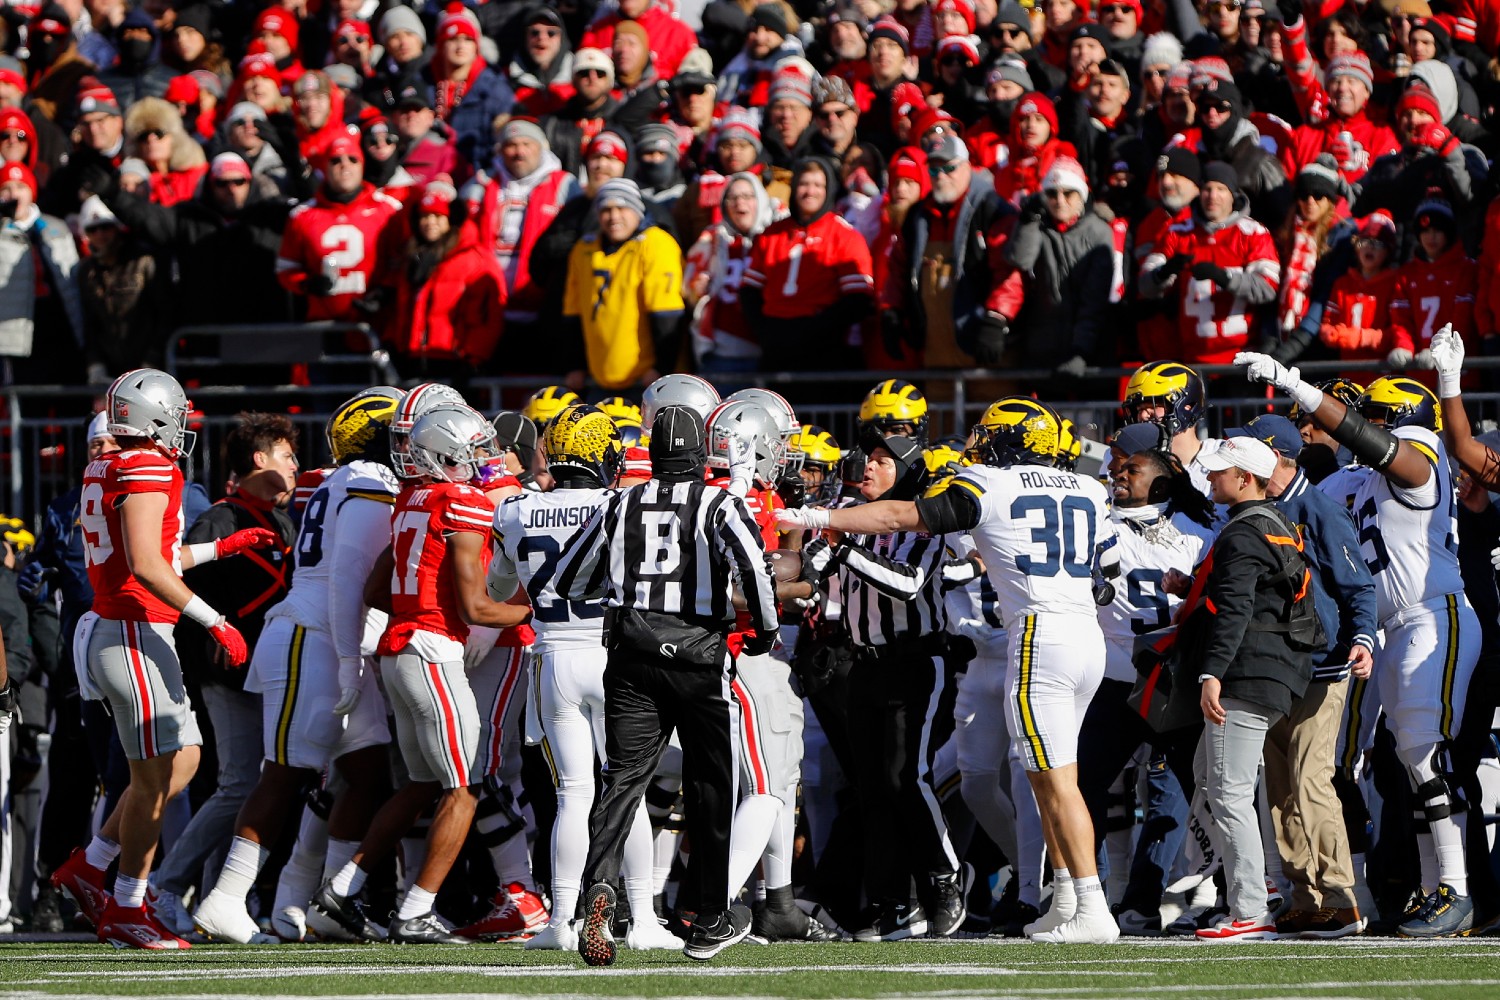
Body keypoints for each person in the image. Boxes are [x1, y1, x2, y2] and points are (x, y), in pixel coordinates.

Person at [780, 397, 1120, 944]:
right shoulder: (1088, 488)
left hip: (1038, 636)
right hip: (1086, 637)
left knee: (1057, 781)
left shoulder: (992, 484)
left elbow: (901, 515)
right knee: (1046, 778)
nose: (979, 444)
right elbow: (1107, 571)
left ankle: (1092, 907)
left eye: (989, 435)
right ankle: (1067, 898)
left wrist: (817, 516)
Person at [1236, 353, 1482, 937]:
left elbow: (1378, 446)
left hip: (1432, 614)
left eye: (1375, 422)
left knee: (1424, 751)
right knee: (1349, 761)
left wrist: (1295, 384)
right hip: (1373, 629)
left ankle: (1456, 888)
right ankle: (1380, 888)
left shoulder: (1420, 460)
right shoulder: (1346, 481)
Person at [50, 369, 272, 949]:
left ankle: (93, 863)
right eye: (173, 415)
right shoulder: (148, 465)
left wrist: (220, 547)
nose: (180, 428)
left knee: (186, 761)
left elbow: (152, 552)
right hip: (132, 631)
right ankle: (127, 904)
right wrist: (216, 621)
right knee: (151, 779)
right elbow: (149, 566)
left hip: (122, 627)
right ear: (153, 418)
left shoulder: (108, 465)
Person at [555, 404, 778, 966]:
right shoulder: (719, 503)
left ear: (650, 455)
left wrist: (623, 597)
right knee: (709, 785)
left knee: (621, 783)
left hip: (631, 658)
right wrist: (763, 630)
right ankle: (707, 917)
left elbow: (564, 581)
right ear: (704, 455)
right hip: (701, 660)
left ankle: (600, 888)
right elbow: (754, 570)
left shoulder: (620, 502)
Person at [316, 403, 531, 942]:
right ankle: (416, 909)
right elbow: (478, 609)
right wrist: (541, 608)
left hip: (398, 651)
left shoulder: (412, 498)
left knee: (419, 785)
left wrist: (420, 604)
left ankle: (341, 888)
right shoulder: (460, 502)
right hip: (432, 654)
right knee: (464, 788)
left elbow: (374, 591)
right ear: (443, 455)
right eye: (474, 451)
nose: (485, 459)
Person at [487, 404, 671, 952]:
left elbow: (499, 591)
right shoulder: (623, 504)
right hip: (617, 657)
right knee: (628, 792)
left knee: (571, 793)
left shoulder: (516, 511)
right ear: (604, 455)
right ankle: (643, 919)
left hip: (553, 659)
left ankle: (561, 921)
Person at [148, 413, 298, 938]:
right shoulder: (220, 519)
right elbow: (182, 592)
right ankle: (163, 888)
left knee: (258, 783)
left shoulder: (282, 521)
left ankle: (220, 896)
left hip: (272, 669)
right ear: (258, 460)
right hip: (228, 671)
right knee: (238, 784)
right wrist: (208, 648)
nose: (295, 467)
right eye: (286, 455)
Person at [1236, 414, 1378, 939]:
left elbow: (1358, 585)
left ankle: (1342, 896)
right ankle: (1305, 895)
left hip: (1323, 662)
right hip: (1273, 665)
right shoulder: (1255, 507)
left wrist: (1362, 638)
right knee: (1278, 785)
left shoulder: (1317, 506)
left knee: (1309, 776)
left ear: (1275, 456)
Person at [1140, 162, 1280, 367]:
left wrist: (1224, 277)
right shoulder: (1177, 232)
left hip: (1242, 357)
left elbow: (1267, 288)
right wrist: (1164, 272)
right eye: (1207, 188)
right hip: (1193, 359)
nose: (1212, 196)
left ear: (1233, 194)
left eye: (1221, 189)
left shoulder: (1253, 233)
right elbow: (1145, 285)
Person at [741, 157, 874, 373]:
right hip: (775, 348)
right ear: (793, 188)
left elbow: (858, 299)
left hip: (824, 352)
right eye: (804, 184)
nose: (810, 191)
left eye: (818, 185)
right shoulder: (771, 234)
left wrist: (815, 330)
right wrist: (766, 331)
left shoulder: (845, 236)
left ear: (828, 189)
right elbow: (749, 291)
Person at [561, 178, 684, 393]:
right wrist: (575, 365)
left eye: (622, 207)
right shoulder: (584, 250)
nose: (614, 216)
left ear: (637, 210)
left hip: (646, 380)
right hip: (599, 376)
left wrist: (661, 368)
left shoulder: (656, 244)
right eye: (606, 209)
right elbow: (573, 312)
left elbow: (667, 315)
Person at [387, 180, 507, 381]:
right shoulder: (413, 258)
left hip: (454, 362)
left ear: (451, 218)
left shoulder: (475, 258)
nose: (429, 222)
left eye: (437, 215)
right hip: (414, 360)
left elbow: (489, 315)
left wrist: (474, 357)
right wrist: (395, 343)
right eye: (424, 216)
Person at [276, 135, 403, 323]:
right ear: (325, 168)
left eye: (352, 159)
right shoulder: (302, 216)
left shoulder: (389, 210)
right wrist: (306, 283)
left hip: (377, 324)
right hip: (323, 326)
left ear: (362, 165)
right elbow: (286, 269)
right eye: (336, 161)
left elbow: (402, 264)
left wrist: (385, 292)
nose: (345, 166)